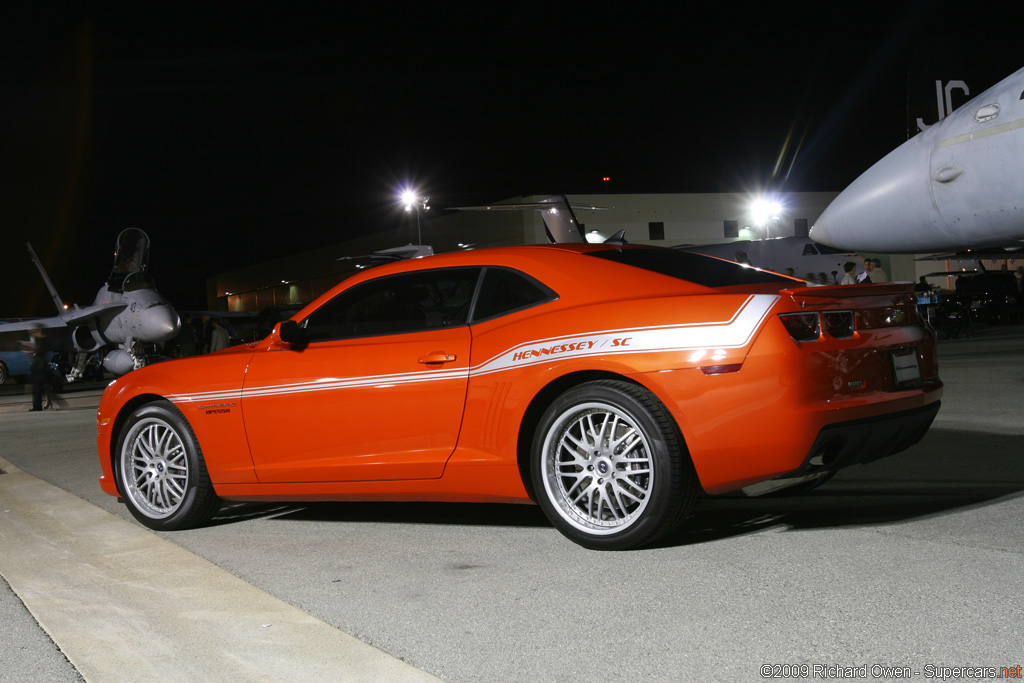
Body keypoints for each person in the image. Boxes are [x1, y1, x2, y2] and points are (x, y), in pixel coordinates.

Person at [21, 324, 47, 412]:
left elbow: (41, 351)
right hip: (35, 368)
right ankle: (38, 405)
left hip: (40, 368)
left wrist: (34, 353)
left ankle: (37, 406)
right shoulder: (35, 339)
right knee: (36, 388)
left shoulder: (42, 339)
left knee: (37, 388)